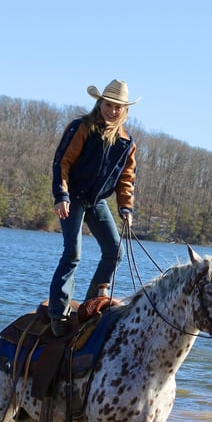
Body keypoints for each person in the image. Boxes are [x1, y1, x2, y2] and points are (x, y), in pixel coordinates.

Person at [47, 79, 140, 336]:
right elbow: (62, 162)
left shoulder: (126, 143)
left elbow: (126, 180)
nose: (112, 110)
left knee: (114, 250)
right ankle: (58, 312)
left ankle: (91, 303)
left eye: (117, 107)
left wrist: (126, 209)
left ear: (125, 110)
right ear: (100, 104)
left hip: (97, 201)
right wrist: (61, 195)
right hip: (73, 196)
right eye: (108, 105)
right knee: (73, 253)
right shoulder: (82, 128)